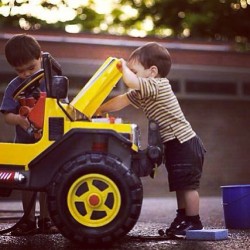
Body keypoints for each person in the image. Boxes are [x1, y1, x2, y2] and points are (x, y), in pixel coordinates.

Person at [96, 42, 206, 238]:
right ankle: (183, 218)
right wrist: (101, 108)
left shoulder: (157, 84)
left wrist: (121, 65)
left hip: (185, 142)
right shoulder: (144, 90)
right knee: (180, 184)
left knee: (188, 186)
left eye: (135, 70)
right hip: (174, 143)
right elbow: (122, 99)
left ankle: (194, 221)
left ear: (152, 71)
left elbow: (131, 82)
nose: (131, 74)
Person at [0, 34, 59, 236]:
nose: (25, 74)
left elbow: (63, 109)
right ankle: (27, 219)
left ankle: (45, 219)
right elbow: (7, 115)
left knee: (47, 179)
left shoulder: (53, 83)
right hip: (25, 143)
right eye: (19, 70)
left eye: (31, 68)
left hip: (48, 142)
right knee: (26, 183)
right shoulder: (14, 86)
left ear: (41, 58)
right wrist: (18, 119)